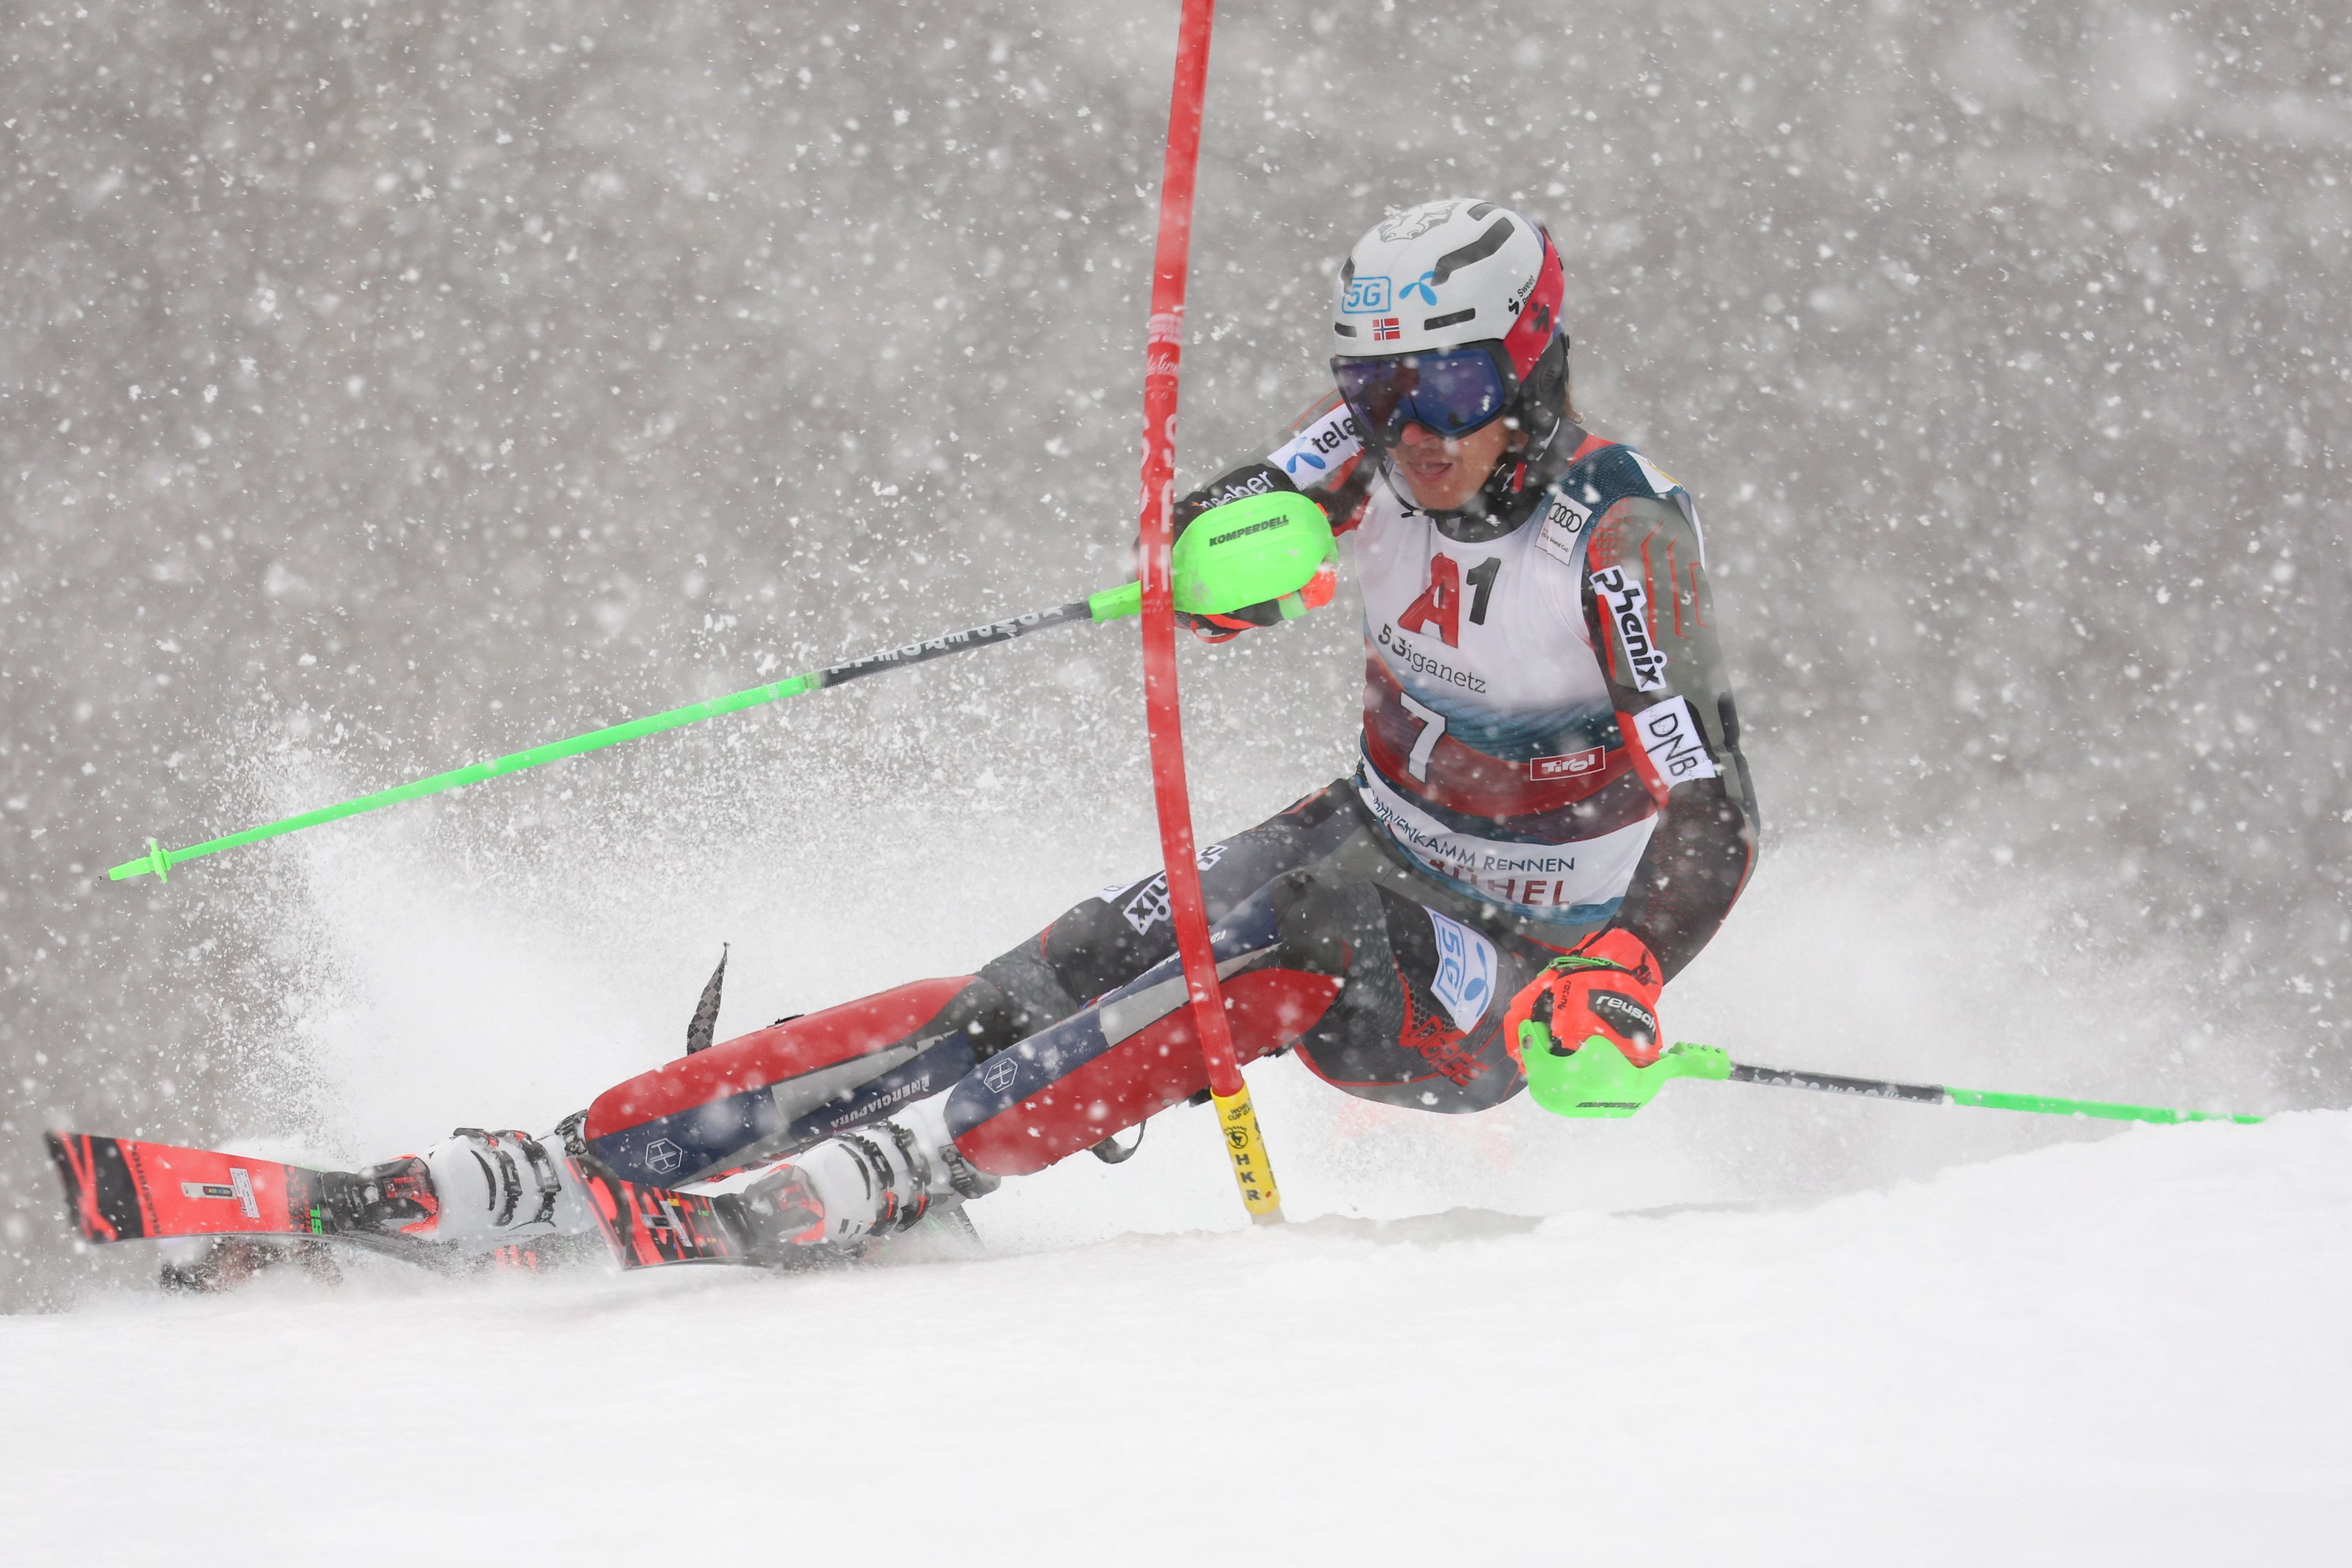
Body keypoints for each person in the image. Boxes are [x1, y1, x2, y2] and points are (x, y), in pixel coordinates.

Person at [349, 196, 1762, 1258]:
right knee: (1047, 976)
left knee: (1307, 925)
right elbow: (1231, 515)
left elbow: (1715, 810)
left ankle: (921, 1164)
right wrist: (1215, 566)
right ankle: (586, 1160)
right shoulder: (1368, 452)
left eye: (1447, 389)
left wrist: (1625, 965)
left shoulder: (1615, 537)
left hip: (1516, 966)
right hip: (1371, 832)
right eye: (1378, 392)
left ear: (1529, 365)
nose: (1414, 436)